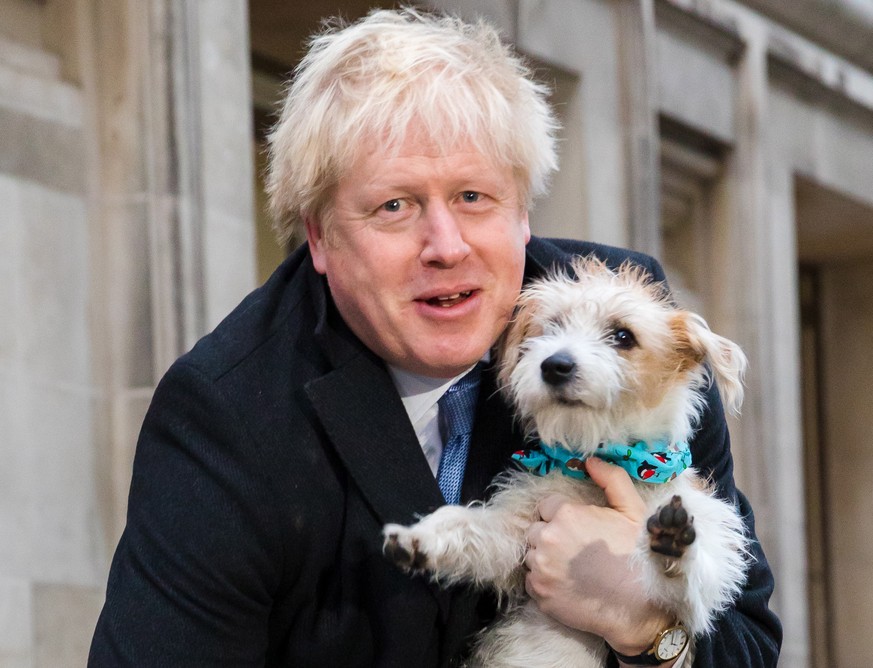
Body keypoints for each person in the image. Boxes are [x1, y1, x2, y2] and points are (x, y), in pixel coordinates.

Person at [88, 8, 781, 667]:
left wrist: (640, 625)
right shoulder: (227, 413)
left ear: (522, 214)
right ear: (319, 237)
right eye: (395, 206)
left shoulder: (633, 338)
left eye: (473, 198)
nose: (444, 246)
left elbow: (748, 641)